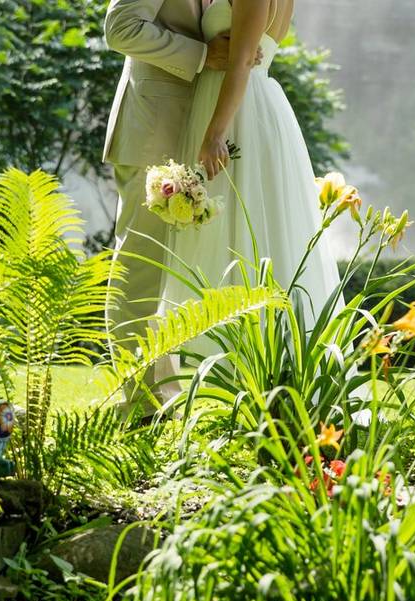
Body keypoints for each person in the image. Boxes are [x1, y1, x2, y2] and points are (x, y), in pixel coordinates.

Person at [160, 0, 342, 336]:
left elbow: (243, 59)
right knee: (243, 225)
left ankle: (256, 343)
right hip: (244, 103)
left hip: (239, 115)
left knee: (247, 226)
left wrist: (215, 134)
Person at [102, 0, 234, 417]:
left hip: (187, 128)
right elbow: (119, 28)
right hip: (151, 129)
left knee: (171, 272)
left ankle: (161, 396)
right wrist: (202, 55)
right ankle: (134, 404)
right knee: (140, 267)